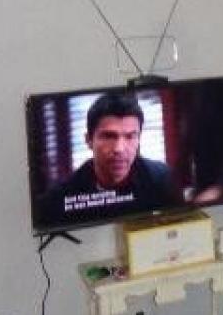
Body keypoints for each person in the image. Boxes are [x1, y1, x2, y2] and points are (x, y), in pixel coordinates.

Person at [39, 91, 183, 225]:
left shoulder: (162, 180)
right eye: (108, 136)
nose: (119, 149)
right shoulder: (59, 199)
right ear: (89, 140)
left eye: (130, 136)